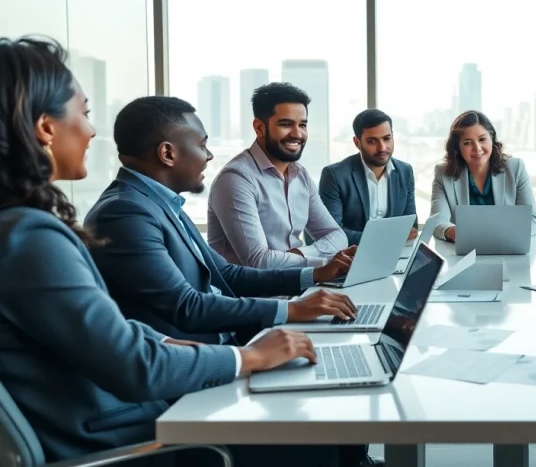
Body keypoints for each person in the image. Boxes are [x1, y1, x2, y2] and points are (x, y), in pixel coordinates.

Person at [0, 36, 350, 467]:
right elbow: (135, 364)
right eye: (85, 114)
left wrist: (307, 282)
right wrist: (251, 356)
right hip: (125, 435)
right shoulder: (33, 236)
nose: (91, 131)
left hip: (133, 408)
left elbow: (116, 329)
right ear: (45, 127)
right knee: (313, 434)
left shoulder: (33, 226)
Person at [85, 96, 361, 348]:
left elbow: (227, 274)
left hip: (229, 338)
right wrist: (293, 310)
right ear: (168, 154)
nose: (209, 155)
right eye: (202, 145)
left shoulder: (160, 202)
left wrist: (316, 274)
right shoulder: (126, 213)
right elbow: (186, 307)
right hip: (198, 359)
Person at [208, 82, 349, 269]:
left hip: (299, 281)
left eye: (302, 125)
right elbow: (259, 262)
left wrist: (300, 253)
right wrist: (322, 260)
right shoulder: (236, 179)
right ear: (259, 128)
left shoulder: (300, 175)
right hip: (252, 287)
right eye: (286, 124)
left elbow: (337, 236)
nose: (297, 134)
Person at [430, 110, 536, 242]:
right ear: (457, 147)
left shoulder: (515, 168)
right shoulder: (443, 174)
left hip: (507, 248)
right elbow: (437, 222)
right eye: (467, 142)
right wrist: (451, 231)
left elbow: (532, 220)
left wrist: (508, 234)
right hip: (464, 250)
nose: (477, 148)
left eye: (482, 139)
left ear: (491, 138)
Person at [319, 108, 417, 245]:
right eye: (372, 141)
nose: (382, 148)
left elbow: (411, 227)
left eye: (387, 138)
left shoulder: (405, 171)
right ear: (357, 142)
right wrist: (385, 237)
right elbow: (333, 233)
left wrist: (397, 237)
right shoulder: (335, 175)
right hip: (351, 253)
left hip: (396, 251)